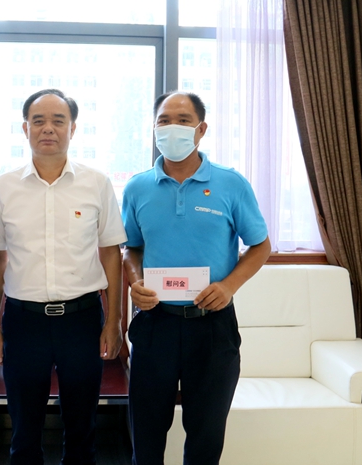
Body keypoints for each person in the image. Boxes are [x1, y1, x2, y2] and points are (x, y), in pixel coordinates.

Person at [122, 91, 271, 465]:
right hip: (155, 323)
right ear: (154, 128)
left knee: (206, 436)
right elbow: (131, 248)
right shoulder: (137, 187)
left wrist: (229, 286)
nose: (172, 128)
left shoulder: (230, 183)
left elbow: (261, 246)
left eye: (183, 120)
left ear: (201, 129)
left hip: (212, 326)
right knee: (146, 434)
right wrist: (136, 282)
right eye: (164, 120)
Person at [0, 88, 127, 465]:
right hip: (23, 321)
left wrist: (113, 322)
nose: (48, 128)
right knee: (23, 431)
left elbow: (111, 254)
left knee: (82, 429)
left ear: (73, 128)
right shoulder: (3, 188)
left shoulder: (96, 184)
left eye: (58, 121)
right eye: (39, 121)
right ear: (25, 128)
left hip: (81, 320)